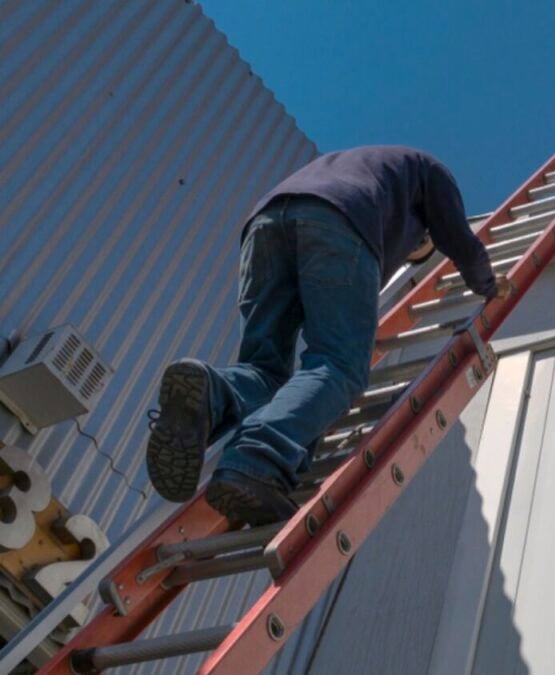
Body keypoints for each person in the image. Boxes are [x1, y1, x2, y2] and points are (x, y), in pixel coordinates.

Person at [144, 146, 511, 526]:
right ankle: (257, 459)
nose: (409, 252)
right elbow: (458, 238)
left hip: (264, 224)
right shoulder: (431, 170)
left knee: (264, 370)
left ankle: (209, 393)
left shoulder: (363, 163)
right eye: (417, 247)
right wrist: (487, 284)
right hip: (339, 220)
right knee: (339, 364)